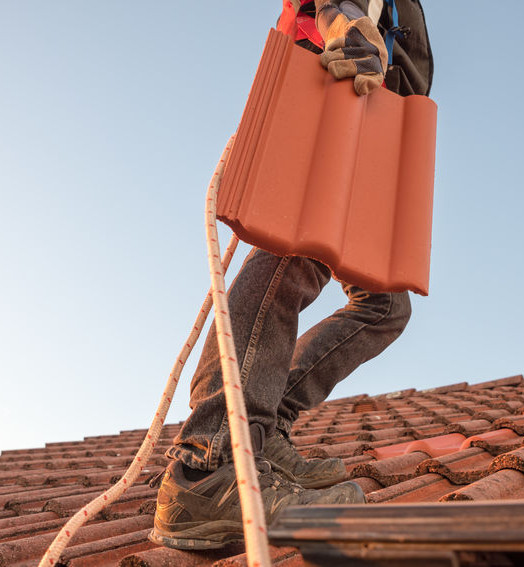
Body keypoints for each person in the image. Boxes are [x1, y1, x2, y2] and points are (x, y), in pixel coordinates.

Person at [149, 0, 433, 551]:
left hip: (384, 117)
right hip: (341, 78)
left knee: (386, 304)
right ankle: (210, 457)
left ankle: (263, 429)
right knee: (293, 247)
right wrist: (340, 23)